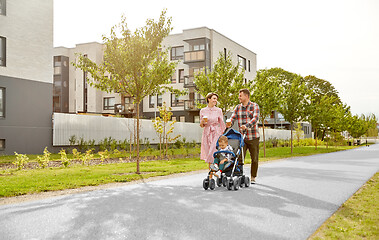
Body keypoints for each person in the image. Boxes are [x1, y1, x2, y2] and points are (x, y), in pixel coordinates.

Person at [228, 89, 260, 183]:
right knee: (239, 157)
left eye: (240, 95)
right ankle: (239, 175)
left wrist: (246, 126)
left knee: (254, 158)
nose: (239, 97)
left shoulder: (254, 106)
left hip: (253, 136)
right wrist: (229, 123)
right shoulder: (238, 107)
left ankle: (253, 177)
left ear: (246, 96)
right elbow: (233, 117)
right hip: (242, 137)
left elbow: (255, 119)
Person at [200, 92, 226, 169]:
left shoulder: (219, 110)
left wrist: (224, 133)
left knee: (213, 150)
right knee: (208, 152)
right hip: (207, 132)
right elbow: (201, 125)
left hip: (216, 132)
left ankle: (216, 167)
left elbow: (221, 123)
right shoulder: (203, 110)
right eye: (214, 98)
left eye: (216, 99)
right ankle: (210, 174)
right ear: (209, 99)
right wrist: (202, 121)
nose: (215, 100)